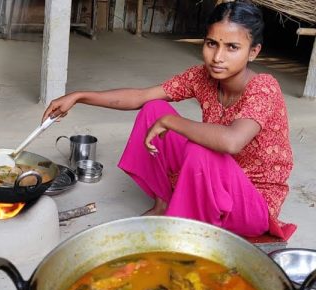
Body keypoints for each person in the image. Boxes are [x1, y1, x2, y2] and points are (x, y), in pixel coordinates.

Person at [42, 0, 295, 240]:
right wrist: (79, 96)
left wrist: (172, 123)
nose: (218, 57)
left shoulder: (264, 87)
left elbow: (231, 142)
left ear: (253, 52)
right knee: (154, 109)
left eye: (232, 47)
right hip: (217, 179)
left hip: (253, 205)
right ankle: (163, 204)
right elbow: (142, 96)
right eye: (211, 44)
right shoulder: (202, 77)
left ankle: (177, 232)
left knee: (199, 148)